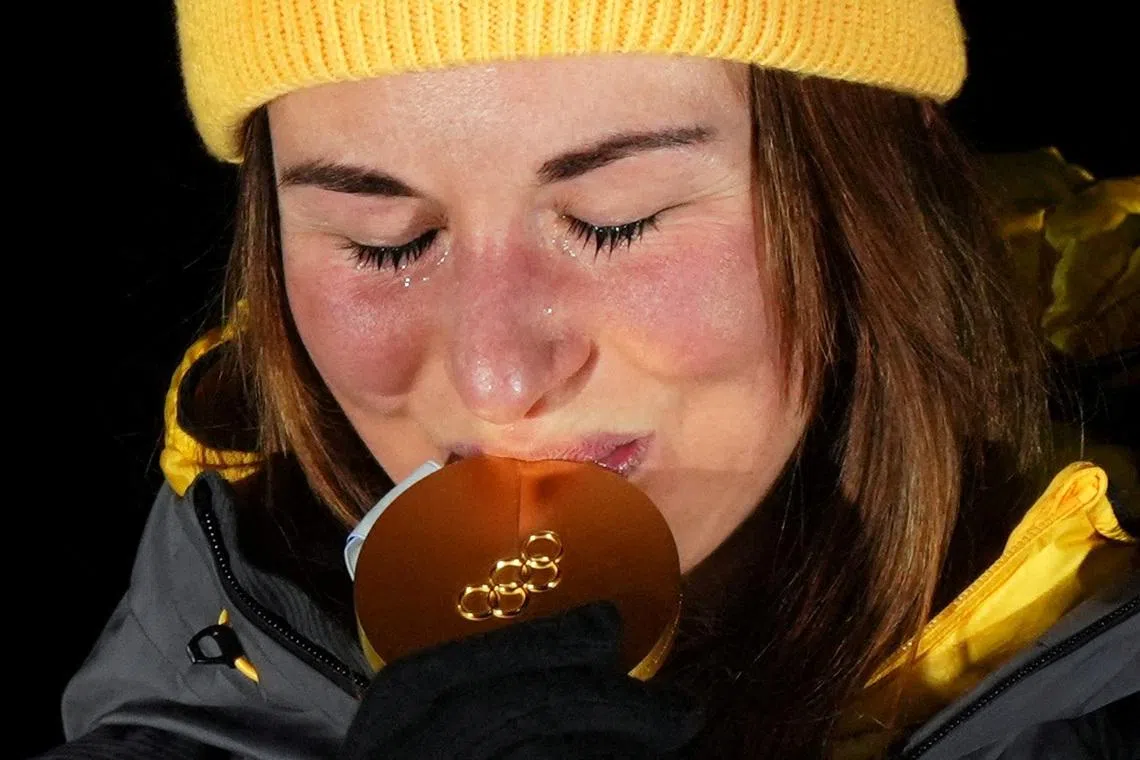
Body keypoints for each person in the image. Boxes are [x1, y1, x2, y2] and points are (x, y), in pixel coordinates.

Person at [44, 1, 1138, 758]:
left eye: (617, 223)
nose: (497, 374)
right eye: (382, 241)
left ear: (872, 194)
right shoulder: (180, 706)